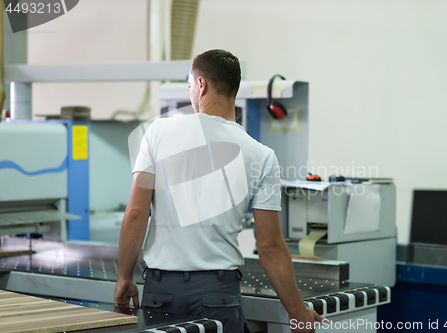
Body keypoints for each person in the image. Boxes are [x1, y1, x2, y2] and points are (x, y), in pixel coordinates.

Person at [114, 49, 323, 333]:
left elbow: (137, 213)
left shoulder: (157, 132)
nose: (191, 92)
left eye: (190, 85)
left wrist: (124, 277)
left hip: (162, 291)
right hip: (218, 293)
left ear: (201, 84)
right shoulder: (261, 156)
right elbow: (270, 246)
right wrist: (297, 311)